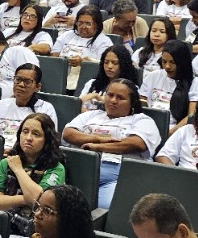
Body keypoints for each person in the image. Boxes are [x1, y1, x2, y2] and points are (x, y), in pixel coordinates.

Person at [62, 79, 160, 208]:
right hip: (79, 171)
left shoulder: (141, 120)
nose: (113, 100)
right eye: (110, 95)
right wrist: (98, 139)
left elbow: (137, 143)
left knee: (106, 209)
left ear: (132, 102)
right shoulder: (91, 115)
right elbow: (68, 133)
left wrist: (97, 147)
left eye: (120, 98)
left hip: (117, 176)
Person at [0, 112, 65, 216]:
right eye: (25, 132)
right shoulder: (7, 162)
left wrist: (18, 169)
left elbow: (39, 201)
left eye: (36, 134)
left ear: (47, 140)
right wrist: (25, 199)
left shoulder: (56, 168)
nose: (28, 138)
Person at [77, 45, 140, 114]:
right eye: (106, 62)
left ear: (124, 64)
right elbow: (76, 105)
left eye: (115, 63)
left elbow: (119, 113)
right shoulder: (92, 84)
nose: (109, 66)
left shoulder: (131, 89)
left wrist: (98, 98)